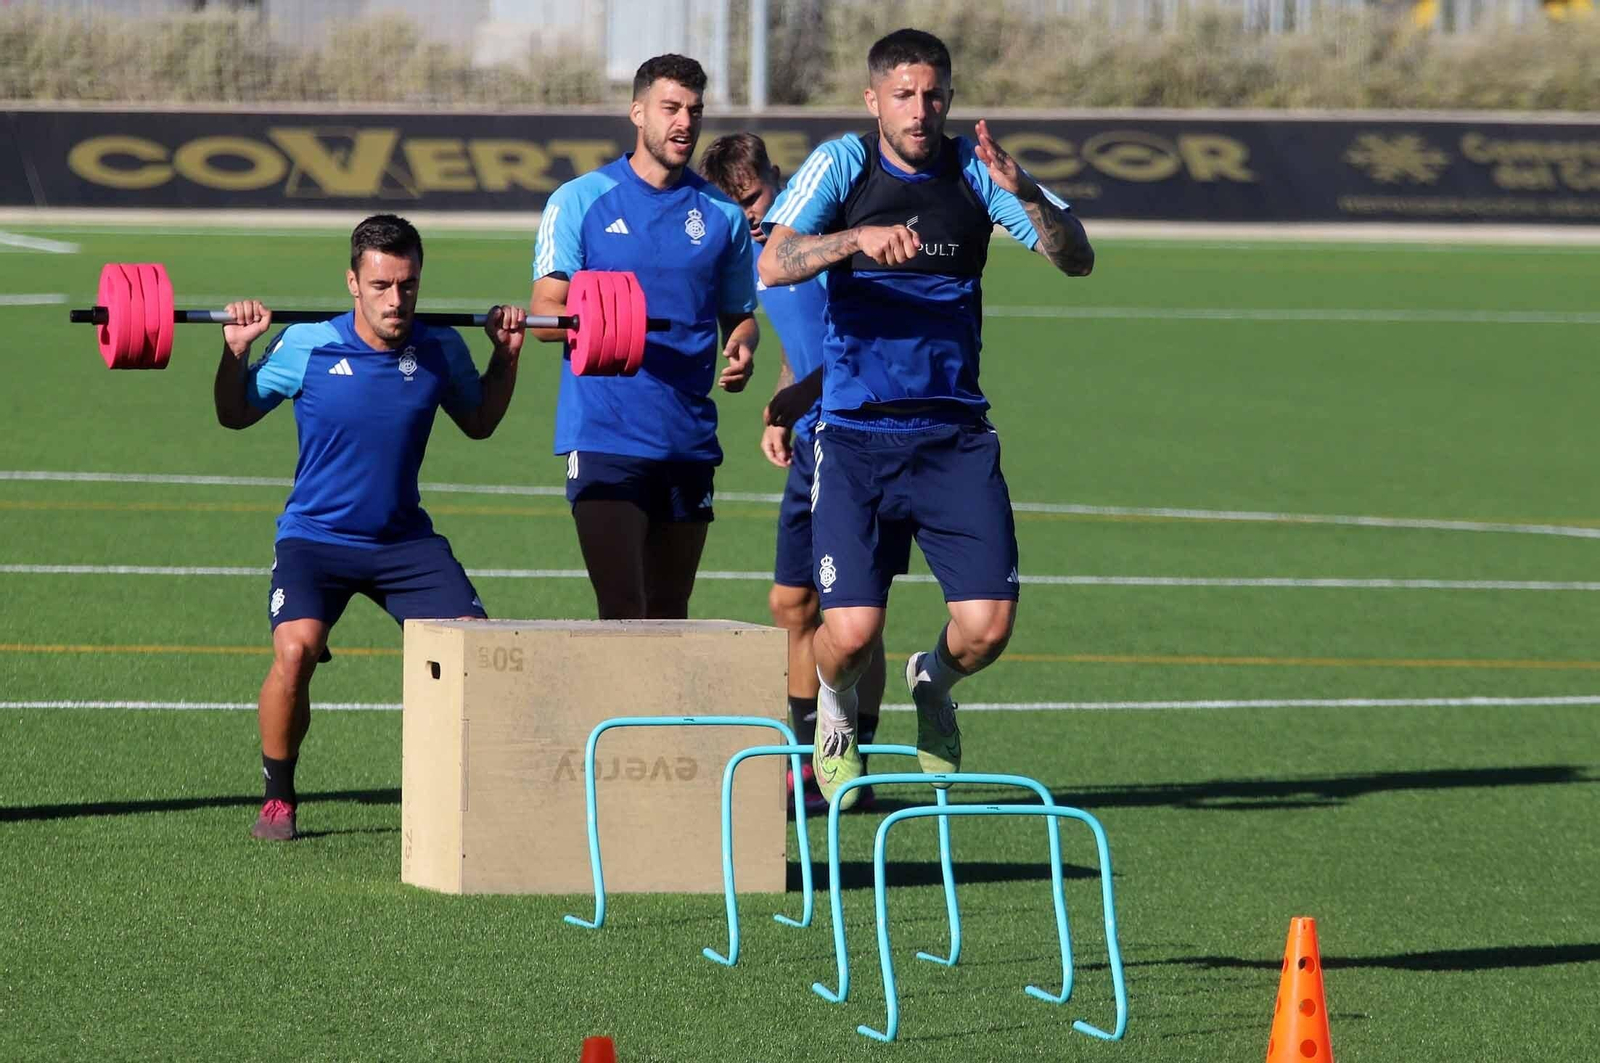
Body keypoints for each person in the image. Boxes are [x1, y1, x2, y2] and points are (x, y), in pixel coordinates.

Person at [757, 29, 1094, 804]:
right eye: (903, 95)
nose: (920, 109)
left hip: (954, 437)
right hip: (856, 438)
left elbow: (1077, 258)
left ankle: (931, 684)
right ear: (873, 98)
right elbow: (775, 261)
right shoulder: (844, 164)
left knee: (987, 629)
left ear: (949, 95)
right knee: (846, 636)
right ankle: (835, 713)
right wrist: (855, 240)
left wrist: (1033, 194)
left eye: (933, 94)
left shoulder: (978, 171)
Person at [214, 213, 526, 841]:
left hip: (402, 543)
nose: (396, 300)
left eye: (407, 285)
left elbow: (481, 421)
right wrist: (236, 353)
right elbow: (235, 413)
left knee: (476, 655)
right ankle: (278, 796)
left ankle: (466, 799)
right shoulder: (306, 345)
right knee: (296, 651)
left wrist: (506, 357)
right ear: (353, 282)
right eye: (381, 285)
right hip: (315, 539)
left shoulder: (440, 349)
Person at [700, 132, 896, 812]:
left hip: (857, 435)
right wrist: (784, 406)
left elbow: (862, 344)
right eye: (735, 205)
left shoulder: (820, 240)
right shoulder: (752, 257)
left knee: (855, 610)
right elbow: (801, 345)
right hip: (812, 434)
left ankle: (848, 762)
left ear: (778, 178)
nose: (750, 214)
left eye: (755, 197)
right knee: (790, 605)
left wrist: (800, 397)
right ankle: (808, 753)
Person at [529, 54, 758, 620]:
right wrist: (607, 325)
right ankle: (613, 714)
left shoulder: (722, 216)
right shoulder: (579, 200)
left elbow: (741, 314)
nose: (685, 122)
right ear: (638, 113)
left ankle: (654, 715)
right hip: (606, 435)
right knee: (622, 607)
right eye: (671, 108)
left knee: (670, 611)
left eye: (695, 110)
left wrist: (744, 346)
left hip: (687, 439)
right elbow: (544, 311)